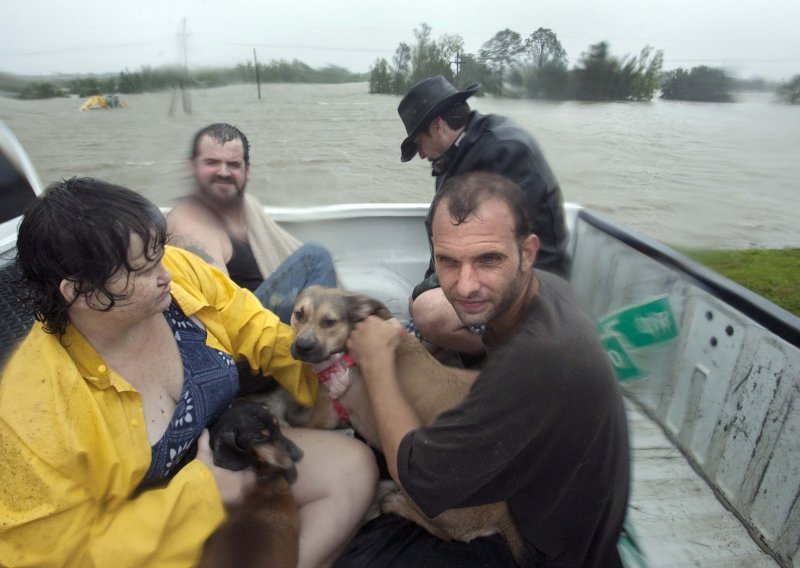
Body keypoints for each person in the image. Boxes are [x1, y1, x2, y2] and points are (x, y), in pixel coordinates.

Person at [0, 177, 377, 568]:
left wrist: (339, 371)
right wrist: (202, 493)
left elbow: (259, 332)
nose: (164, 273)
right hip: (146, 530)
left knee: (352, 468)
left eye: (157, 253)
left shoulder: (177, 278)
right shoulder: (32, 410)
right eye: (142, 269)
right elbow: (54, 556)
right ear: (79, 292)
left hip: (224, 456)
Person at [338, 171, 630, 567]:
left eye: (487, 259)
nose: (465, 285)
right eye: (448, 261)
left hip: (538, 548)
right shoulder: (542, 296)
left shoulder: (536, 358)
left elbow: (418, 477)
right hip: (541, 497)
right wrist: (412, 363)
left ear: (527, 252)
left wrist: (377, 366)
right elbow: (489, 386)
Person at [398, 75, 571, 357]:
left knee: (428, 314)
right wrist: (429, 284)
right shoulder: (455, 159)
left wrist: (426, 294)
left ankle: (520, 357)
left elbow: (499, 249)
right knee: (421, 321)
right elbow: (450, 240)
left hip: (536, 284)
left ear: (437, 126)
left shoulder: (504, 152)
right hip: (489, 272)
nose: (419, 154)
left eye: (418, 143)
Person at [167, 123, 337, 324]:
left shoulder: (246, 208)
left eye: (233, 164)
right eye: (212, 162)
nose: (223, 172)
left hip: (258, 312)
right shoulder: (190, 225)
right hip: (247, 334)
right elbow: (221, 318)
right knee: (315, 257)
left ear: (248, 171)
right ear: (192, 167)